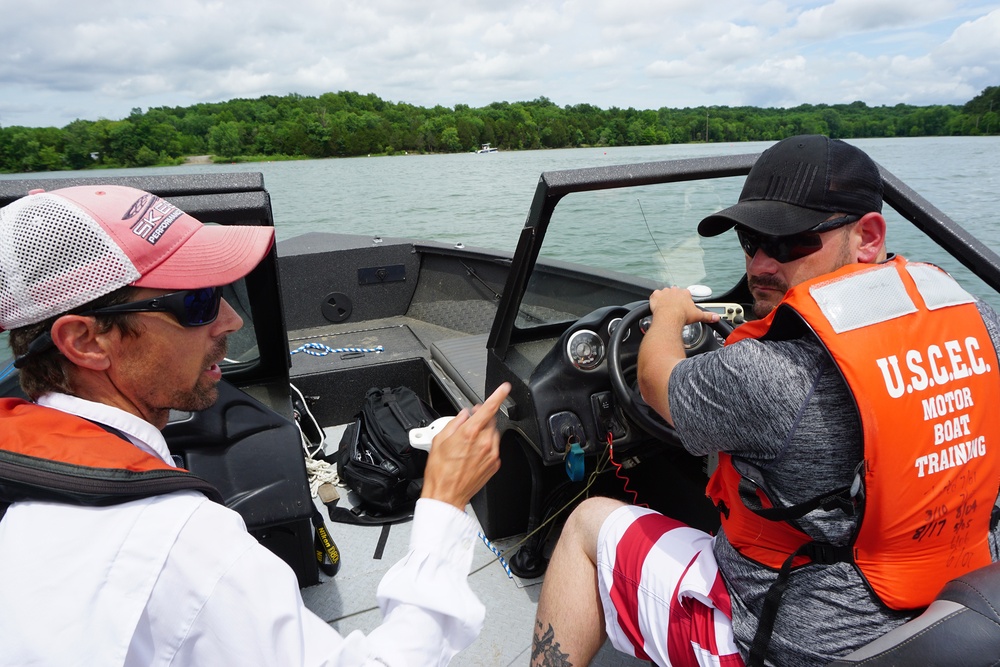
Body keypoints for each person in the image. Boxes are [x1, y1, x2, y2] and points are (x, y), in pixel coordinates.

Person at [531, 135, 1000, 667]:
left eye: (788, 243)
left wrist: (666, 314)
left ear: (867, 237)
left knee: (587, 522)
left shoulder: (768, 371)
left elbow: (655, 382)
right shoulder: (981, 323)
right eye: (750, 241)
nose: (760, 266)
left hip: (793, 646)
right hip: (952, 605)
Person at [0, 184, 512, 665]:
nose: (231, 320)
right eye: (197, 302)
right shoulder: (180, 543)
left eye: (222, 291)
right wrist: (444, 503)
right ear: (87, 342)